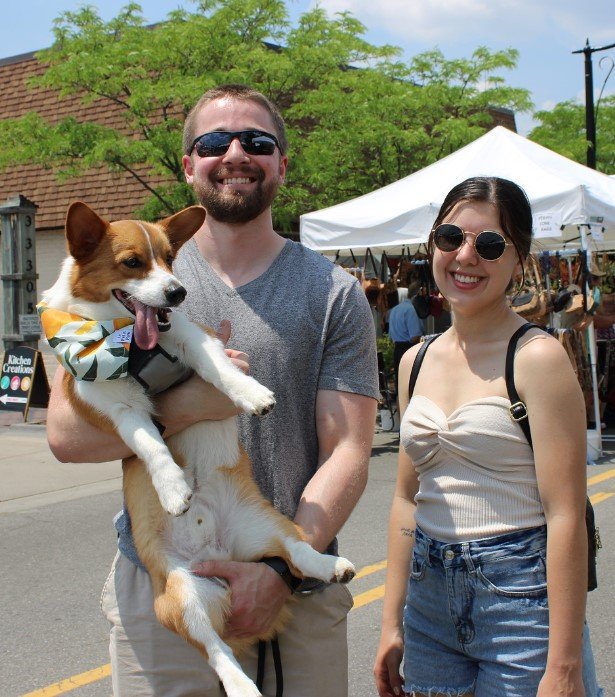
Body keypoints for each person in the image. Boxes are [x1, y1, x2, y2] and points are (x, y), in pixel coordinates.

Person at [46, 83, 379, 697]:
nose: (234, 154)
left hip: (297, 594)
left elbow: (350, 450)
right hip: (166, 585)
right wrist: (188, 406)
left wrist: (279, 569)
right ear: (187, 163)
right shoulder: (122, 273)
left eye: (256, 141)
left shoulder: (333, 291)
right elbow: (67, 437)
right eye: (212, 142)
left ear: (282, 161)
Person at [374, 176, 602, 697]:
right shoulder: (415, 361)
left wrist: (563, 665)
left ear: (518, 259)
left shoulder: (537, 357)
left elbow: (565, 513)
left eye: (490, 244)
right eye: (451, 238)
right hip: (428, 603)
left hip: (521, 600)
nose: (466, 256)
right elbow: (408, 498)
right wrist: (391, 624)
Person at [386, 284, 424, 386]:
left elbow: (390, 335)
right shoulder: (410, 309)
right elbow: (414, 336)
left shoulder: (394, 310)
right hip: (409, 349)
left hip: (397, 350)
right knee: (410, 384)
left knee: (400, 385)